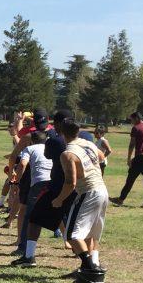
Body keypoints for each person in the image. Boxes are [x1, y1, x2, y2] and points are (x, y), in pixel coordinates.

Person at [13, 108, 74, 267]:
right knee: (72, 221)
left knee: (33, 218)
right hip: (78, 188)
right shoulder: (85, 141)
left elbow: (46, 155)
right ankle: (87, 259)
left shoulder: (54, 141)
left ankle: (28, 255)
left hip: (55, 185)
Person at [51, 118, 109, 274]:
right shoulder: (88, 143)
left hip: (89, 193)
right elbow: (102, 158)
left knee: (71, 235)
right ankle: (90, 265)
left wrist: (59, 200)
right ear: (78, 132)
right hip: (102, 190)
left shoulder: (67, 154)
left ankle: (91, 268)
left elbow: (71, 183)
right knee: (91, 233)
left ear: (61, 132)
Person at [12, 130, 52, 255]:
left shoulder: (29, 149)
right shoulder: (49, 148)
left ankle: (23, 247)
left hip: (39, 184)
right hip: (53, 181)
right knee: (60, 212)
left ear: (31, 140)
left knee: (28, 216)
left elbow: (23, 164)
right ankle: (77, 248)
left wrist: (16, 182)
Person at [111, 111, 143, 208]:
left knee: (130, 179)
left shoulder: (136, 128)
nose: (131, 122)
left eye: (132, 120)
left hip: (140, 157)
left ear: (137, 118)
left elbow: (132, 144)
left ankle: (120, 199)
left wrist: (129, 158)